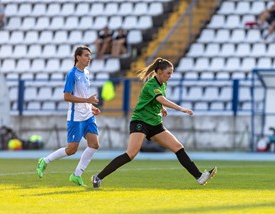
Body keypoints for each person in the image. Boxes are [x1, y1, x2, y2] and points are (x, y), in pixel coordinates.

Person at [91, 57, 217, 188]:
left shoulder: (163, 83)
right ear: (159, 72)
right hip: (141, 121)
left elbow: (156, 99)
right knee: (131, 154)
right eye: (168, 73)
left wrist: (161, 108)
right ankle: (98, 177)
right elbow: (161, 98)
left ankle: (199, 176)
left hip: (155, 123)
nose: (170, 75)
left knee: (177, 147)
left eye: (171, 73)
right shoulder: (151, 84)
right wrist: (181, 108)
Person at [36, 46, 101, 186]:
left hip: (87, 115)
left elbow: (83, 95)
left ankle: (77, 175)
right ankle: (45, 161)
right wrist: (87, 101)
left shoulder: (86, 73)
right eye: (86, 55)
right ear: (78, 57)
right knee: (71, 150)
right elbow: (67, 96)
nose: (89, 58)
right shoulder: (72, 74)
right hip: (76, 117)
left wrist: (91, 107)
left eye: (90, 55)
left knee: (94, 144)